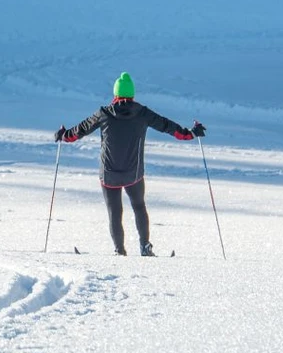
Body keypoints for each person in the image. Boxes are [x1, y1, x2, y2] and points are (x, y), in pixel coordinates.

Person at [54, 72, 205, 256]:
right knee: (139, 206)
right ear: (132, 94)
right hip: (134, 174)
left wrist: (64, 135)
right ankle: (145, 247)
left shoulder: (103, 114)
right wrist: (191, 133)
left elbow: (79, 131)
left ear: (115, 94)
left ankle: (119, 251)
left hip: (109, 173)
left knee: (114, 212)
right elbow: (168, 126)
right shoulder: (142, 113)